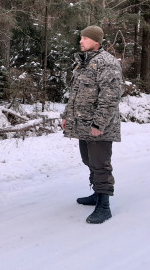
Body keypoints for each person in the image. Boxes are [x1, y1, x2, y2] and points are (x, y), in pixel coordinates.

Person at [61, 25, 123, 224]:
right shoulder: (84, 63)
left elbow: (110, 96)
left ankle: (104, 206)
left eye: (85, 38)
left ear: (96, 41)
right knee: (89, 160)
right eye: (81, 38)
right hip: (83, 124)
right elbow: (75, 95)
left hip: (99, 127)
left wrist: (99, 123)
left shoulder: (107, 63)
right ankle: (97, 194)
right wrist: (66, 115)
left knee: (100, 164)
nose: (81, 41)